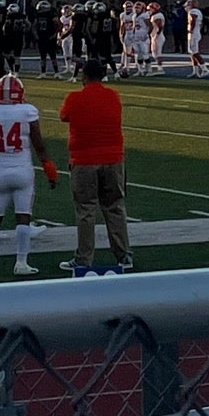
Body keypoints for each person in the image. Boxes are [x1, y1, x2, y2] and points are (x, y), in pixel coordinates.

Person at [0, 74, 56, 277]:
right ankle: (21, 262)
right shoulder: (27, 111)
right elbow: (39, 145)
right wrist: (48, 168)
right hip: (23, 171)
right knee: (23, 219)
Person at [59, 59, 131, 271]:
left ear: (84, 76)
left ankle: (84, 259)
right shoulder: (113, 96)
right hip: (113, 158)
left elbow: (64, 116)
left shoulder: (75, 98)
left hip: (84, 160)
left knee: (86, 210)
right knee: (115, 207)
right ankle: (124, 255)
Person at [184, 0, 207, 78]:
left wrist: (191, 30)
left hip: (193, 33)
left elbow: (192, 21)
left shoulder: (193, 12)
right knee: (192, 53)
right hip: (196, 32)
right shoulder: (197, 11)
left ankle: (204, 69)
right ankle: (195, 71)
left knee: (195, 52)